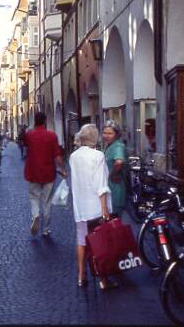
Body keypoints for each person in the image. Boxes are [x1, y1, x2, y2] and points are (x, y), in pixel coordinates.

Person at [69, 124, 115, 290]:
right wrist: (104, 210)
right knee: (100, 242)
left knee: (82, 241)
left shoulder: (73, 156)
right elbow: (101, 185)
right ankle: (103, 279)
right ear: (94, 138)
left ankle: (81, 276)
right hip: (95, 207)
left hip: (81, 206)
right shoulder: (98, 156)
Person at [24, 112, 66, 237]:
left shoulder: (29, 135)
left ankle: (36, 215)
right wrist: (63, 169)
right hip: (48, 173)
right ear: (45, 121)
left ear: (34, 121)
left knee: (34, 197)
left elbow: (26, 146)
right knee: (47, 201)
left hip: (33, 172)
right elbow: (58, 156)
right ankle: (46, 229)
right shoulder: (52, 136)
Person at [102, 120, 127, 216]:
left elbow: (119, 162)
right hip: (110, 186)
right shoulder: (109, 145)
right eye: (104, 133)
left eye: (110, 133)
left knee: (115, 218)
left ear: (116, 134)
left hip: (116, 186)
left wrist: (112, 175)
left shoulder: (118, 146)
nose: (106, 136)